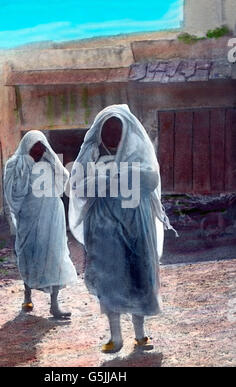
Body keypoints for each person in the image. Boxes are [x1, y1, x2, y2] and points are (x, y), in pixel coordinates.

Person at [69, 105, 177, 352]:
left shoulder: (138, 153)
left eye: (117, 130)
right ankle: (115, 337)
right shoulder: (91, 155)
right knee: (110, 278)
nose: (112, 135)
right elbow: (78, 187)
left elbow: (151, 180)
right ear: (99, 132)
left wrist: (114, 175)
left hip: (136, 224)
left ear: (127, 131)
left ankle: (141, 335)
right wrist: (110, 178)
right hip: (103, 228)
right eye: (108, 130)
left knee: (138, 275)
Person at [4, 130, 77, 318]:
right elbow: (13, 193)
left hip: (52, 217)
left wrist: (51, 159)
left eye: (41, 147)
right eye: (35, 147)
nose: (38, 151)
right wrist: (27, 163)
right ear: (26, 147)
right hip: (29, 218)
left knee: (55, 256)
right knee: (29, 254)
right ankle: (27, 296)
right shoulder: (15, 164)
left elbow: (64, 178)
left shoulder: (49, 162)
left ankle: (54, 305)